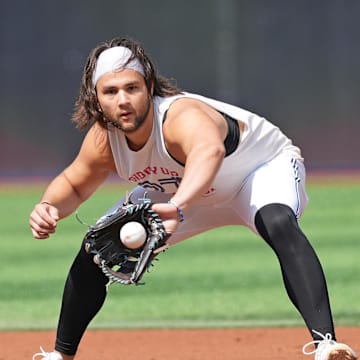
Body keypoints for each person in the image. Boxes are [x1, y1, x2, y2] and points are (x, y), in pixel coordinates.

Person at [29, 37, 357, 360]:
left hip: (257, 172)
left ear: (150, 88)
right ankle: (61, 355)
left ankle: (327, 345)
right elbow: (74, 183)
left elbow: (208, 151)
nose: (123, 100)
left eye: (132, 88)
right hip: (180, 194)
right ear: (96, 99)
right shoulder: (105, 138)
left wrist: (178, 205)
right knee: (96, 248)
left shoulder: (179, 116)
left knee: (278, 222)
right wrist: (49, 207)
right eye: (111, 91)